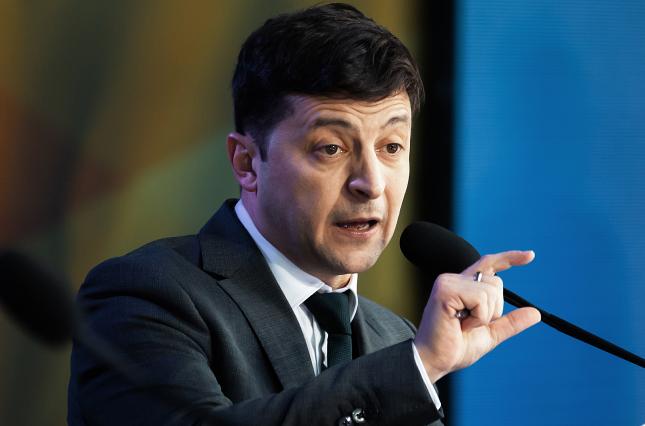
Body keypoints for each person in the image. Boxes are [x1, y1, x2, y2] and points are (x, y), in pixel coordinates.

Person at [68, 3, 541, 425]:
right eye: (331, 148)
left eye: (392, 146)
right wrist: (418, 367)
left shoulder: (392, 337)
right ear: (246, 163)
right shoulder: (144, 296)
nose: (372, 182)